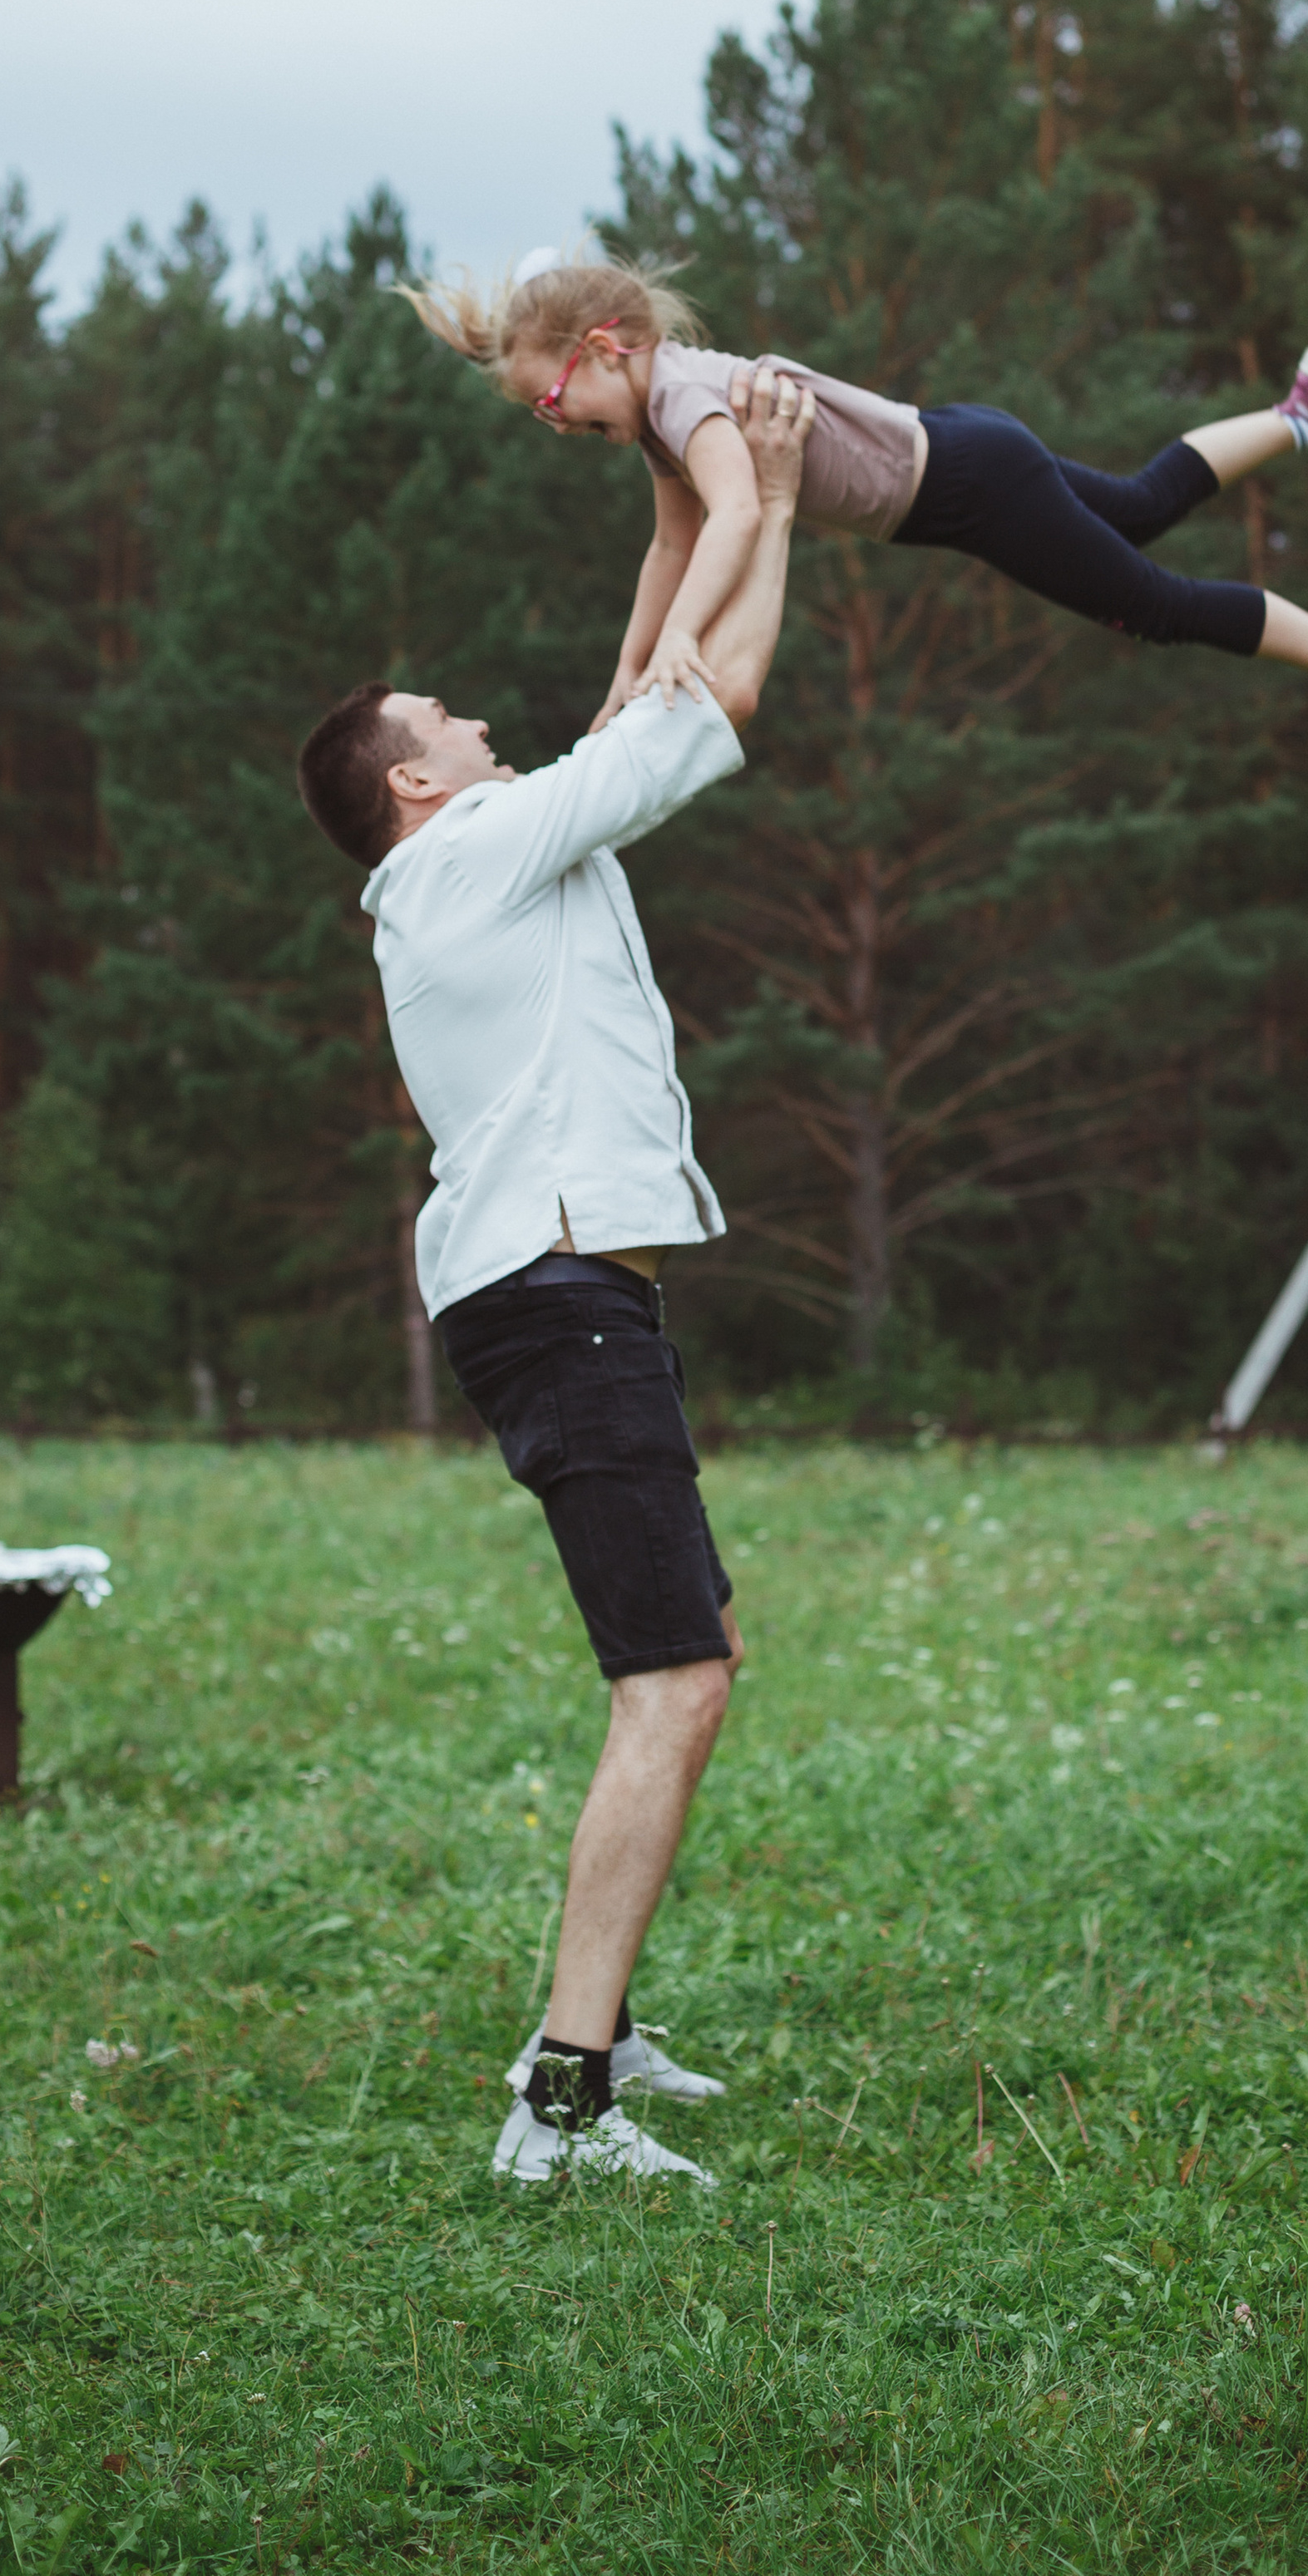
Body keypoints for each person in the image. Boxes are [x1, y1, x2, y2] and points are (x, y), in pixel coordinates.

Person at [294, 367, 815, 2189]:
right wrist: (762, 480)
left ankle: (591, 2023)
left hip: (568, 1291)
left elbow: (638, 684)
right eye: (451, 718)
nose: (489, 719)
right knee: (670, 1681)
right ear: (414, 784)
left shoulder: (492, 860)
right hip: (558, 1293)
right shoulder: (464, 868)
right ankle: (561, 2102)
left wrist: (680, 491)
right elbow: (712, 691)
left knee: (694, 1663)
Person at [402, 247, 1308, 783]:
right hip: (964, 457)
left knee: (1150, 604)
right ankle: (1307, 413)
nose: (554, 424)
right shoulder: (666, 419)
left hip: (968, 484)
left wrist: (679, 644)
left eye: (551, 401)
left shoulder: (681, 395)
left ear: (606, 347)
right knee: (1140, 506)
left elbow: (738, 521)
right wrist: (630, 674)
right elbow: (671, 543)